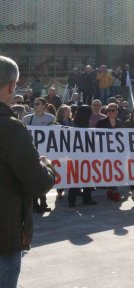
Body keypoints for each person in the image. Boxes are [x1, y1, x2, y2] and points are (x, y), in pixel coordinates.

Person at [0, 56, 56, 288]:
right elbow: (38, 182)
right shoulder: (11, 128)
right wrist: (47, 166)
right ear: (12, 85)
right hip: (4, 235)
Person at [22, 98, 55, 213]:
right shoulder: (27, 118)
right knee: (34, 177)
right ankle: (35, 203)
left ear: (44, 106)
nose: (34, 105)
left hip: (46, 152)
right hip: (32, 152)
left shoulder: (50, 118)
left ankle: (44, 202)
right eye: (34, 104)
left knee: (43, 177)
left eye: (37, 104)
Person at [68, 105, 98, 207]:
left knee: (81, 177)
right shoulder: (76, 125)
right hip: (79, 155)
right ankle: (83, 198)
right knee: (81, 177)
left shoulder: (76, 124)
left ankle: (74, 200)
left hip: (81, 154)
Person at [96, 103, 124, 202]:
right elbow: (96, 136)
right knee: (109, 170)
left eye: (113, 110)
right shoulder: (101, 122)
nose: (110, 112)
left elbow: (124, 136)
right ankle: (114, 190)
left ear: (116, 112)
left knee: (115, 170)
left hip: (117, 152)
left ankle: (111, 189)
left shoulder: (120, 122)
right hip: (105, 151)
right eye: (108, 110)